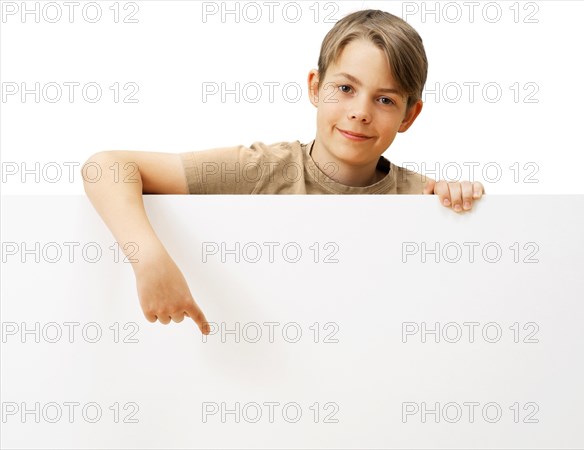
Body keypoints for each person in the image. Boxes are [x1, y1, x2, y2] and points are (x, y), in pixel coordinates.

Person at [82, 9, 485, 335]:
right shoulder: (264, 170)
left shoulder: (422, 199)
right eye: (345, 88)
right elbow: (107, 167)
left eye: (384, 99)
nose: (360, 111)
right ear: (315, 86)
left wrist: (459, 208)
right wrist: (149, 259)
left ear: (409, 115)